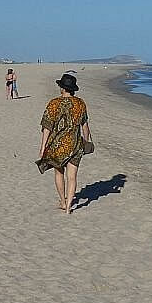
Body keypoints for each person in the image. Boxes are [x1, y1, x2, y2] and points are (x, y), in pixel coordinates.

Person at [36, 73, 91, 214]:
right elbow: (84, 125)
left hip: (57, 145)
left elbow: (47, 126)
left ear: (62, 88)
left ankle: (63, 200)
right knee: (72, 177)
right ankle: (68, 207)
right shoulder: (80, 103)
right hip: (75, 144)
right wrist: (87, 141)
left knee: (59, 174)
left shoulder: (54, 103)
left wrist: (42, 147)